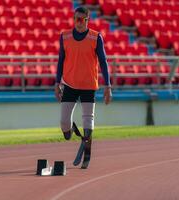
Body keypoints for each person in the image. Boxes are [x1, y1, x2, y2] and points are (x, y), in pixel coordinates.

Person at [55, 6, 112, 156]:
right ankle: (70, 132)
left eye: (80, 20)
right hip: (69, 84)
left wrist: (108, 86)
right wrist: (57, 83)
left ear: (87, 20)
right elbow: (60, 61)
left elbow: (103, 62)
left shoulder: (95, 37)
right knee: (63, 122)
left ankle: (87, 148)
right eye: (75, 19)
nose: (77, 22)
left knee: (88, 119)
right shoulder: (65, 37)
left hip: (88, 85)